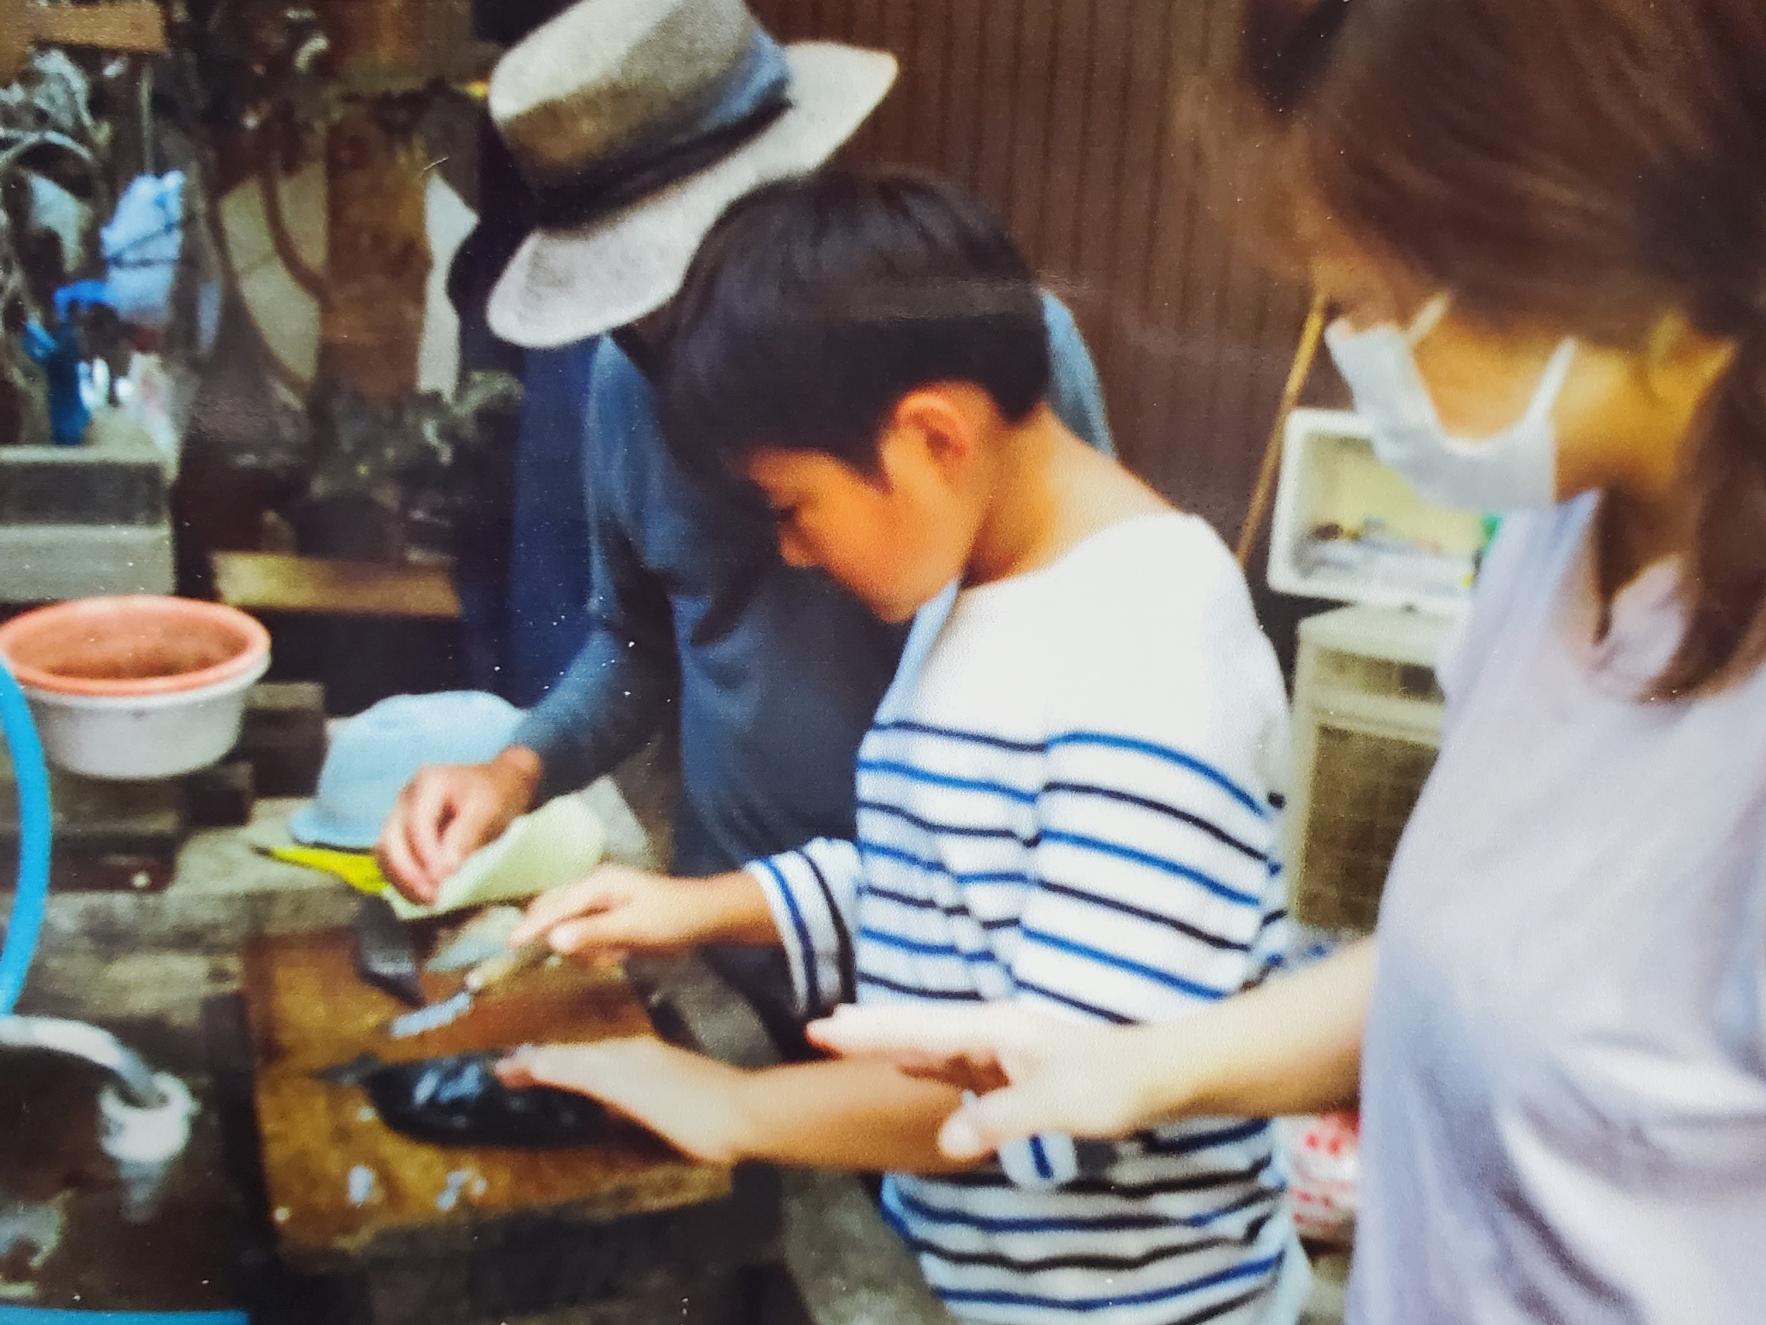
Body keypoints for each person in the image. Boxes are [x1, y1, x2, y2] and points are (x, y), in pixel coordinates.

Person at [810, 1, 1766, 1321]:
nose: (1349, 349)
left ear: (1609, 252)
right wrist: (1128, 1067)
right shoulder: (1556, 540)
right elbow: (1467, 952)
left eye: (1372, 301)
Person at [495, 170, 1310, 1325]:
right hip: (975, 1276)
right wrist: (704, 906)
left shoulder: (1147, 658)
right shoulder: (973, 589)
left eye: (791, 503)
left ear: (930, 436)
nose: (787, 551)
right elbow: (950, 877)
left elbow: (1054, 1084)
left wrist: (730, 1104)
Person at [374, 0, 1113, 1052]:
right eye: (628, 306)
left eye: (678, 282)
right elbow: (636, 643)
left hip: (961, 971)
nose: (663, 336)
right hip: (731, 950)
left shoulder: (1000, 362)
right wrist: (516, 769)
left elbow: (1080, 729)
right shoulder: (625, 388)